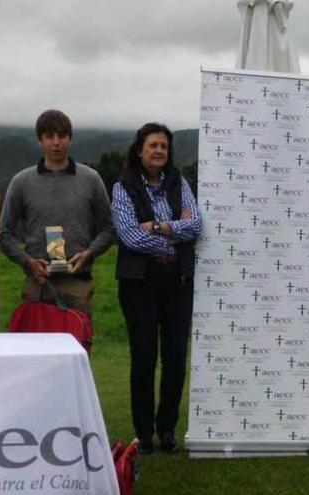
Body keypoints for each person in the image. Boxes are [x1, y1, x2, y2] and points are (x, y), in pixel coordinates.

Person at [112, 123, 201, 454]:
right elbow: (129, 236)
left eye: (164, 145)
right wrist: (174, 234)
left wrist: (161, 227)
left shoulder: (181, 183)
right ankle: (144, 433)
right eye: (153, 145)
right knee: (144, 357)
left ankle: (167, 430)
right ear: (139, 150)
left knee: (176, 358)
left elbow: (195, 227)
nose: (159, 151)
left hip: (177, 281)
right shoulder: (124, 187)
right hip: (140, 284)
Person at [0, 109, 114, 315]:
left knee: (78, 346)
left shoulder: (91, 179)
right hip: (39, 285)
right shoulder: (21, 182)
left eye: (62, 136)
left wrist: (89, 253)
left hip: (78, 285)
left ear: (70, 139)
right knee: (37, 347)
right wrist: (28, 261)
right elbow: (4, 233)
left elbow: (109, 228)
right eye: (49, 136)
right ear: (40, 141)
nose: (56, 142)